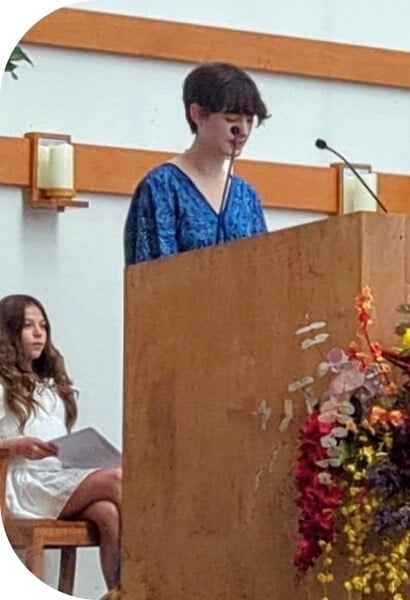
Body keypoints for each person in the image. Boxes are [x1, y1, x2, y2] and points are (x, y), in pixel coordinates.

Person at [0, 294, 122, 590]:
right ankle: (156, 569)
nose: (39, 332)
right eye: (28, 325)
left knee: (108, 512)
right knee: (118, 479)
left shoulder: (50, 387)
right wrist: (16, 446)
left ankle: (121, 591)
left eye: (43, 325)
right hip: (24, 484)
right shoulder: (2, 384)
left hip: (56, 476)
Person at [124, 62, 271, 266]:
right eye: (231, 119)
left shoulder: (247, 195)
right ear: (198, 114)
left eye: (249, 120)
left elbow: (263, 269)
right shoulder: (161, 187)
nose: (244, 130)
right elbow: (153, 278)